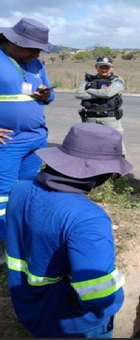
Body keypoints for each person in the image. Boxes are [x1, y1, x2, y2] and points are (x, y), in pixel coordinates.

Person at [5, 123, 133, 338]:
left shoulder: (20, 189)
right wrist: (115, 299)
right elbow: (100, 296)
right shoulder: (88, 219)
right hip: (74, 325)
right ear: (101, 174)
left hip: (30, 310)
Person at [0, 17, 55, 266]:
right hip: (7, 143)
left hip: (36, 139)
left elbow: (48, 95)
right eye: (31, 47)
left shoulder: (35, 62)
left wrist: (46, 94)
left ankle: (21, 236)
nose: (35, 53)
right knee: (2, 196)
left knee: (26, 191)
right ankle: (4, 245)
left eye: (39, 49)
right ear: (12, 40)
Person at [75, 54, 126, 156]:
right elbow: (79, 94)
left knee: (116, 144)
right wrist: (100, 94)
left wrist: (89, 90)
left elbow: (108, 93)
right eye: (101, 67)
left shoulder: (117, 80)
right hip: (91, 118)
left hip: (110, 118)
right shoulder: (88, 80)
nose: (104, 69)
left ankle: (119, 168)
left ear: (111, 68)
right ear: (96, 67)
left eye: (107, 67)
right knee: (91, 145)